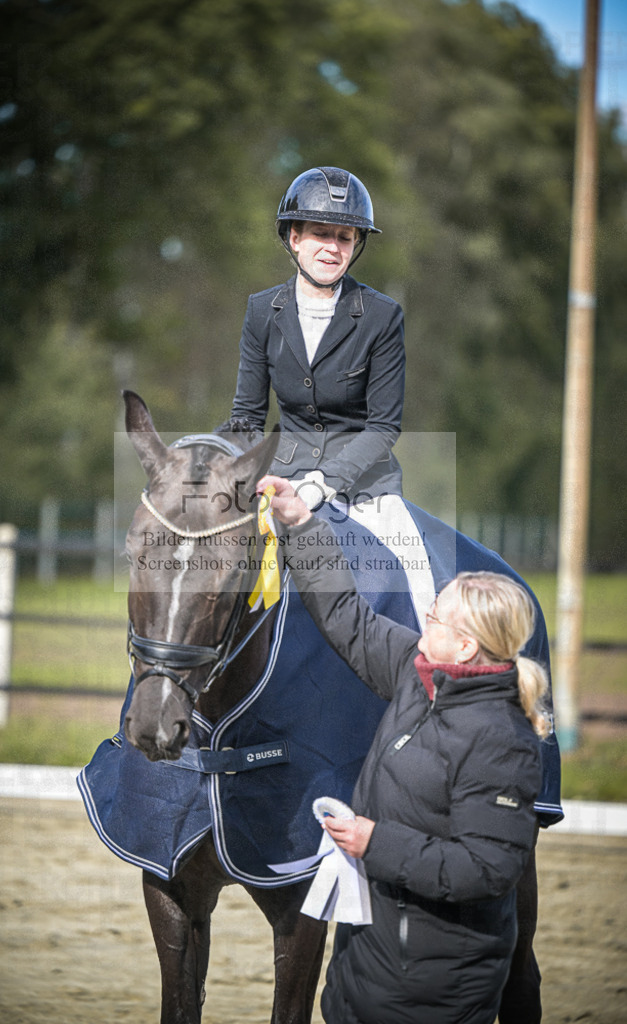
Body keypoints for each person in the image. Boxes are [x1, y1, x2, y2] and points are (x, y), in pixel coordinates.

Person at [258, 474, 551, 1024]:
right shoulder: (417, 673)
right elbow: (346, 616)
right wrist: (301, 524)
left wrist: (375, 842)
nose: (423, 621)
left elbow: (485, 869)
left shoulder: (502, 743)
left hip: (436, 986)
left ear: (465, 646)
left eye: (434, 617)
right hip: (368, 969)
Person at [230, 166, 405, 509]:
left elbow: (383, 426)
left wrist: (324, 482)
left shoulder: (383, 316)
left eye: (344, 237)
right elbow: (247, 415)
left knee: (402, 544)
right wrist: (231, 464)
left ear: (356, 243)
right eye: (321, 234)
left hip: (367, 488)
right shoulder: (261, 310)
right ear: (295, 239)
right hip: (284, 479)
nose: (333, 248)